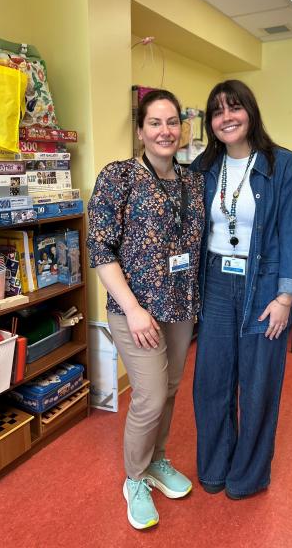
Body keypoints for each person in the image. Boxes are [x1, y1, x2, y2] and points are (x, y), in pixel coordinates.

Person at [190, 80, 292, 500]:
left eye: (235, 107)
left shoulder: (283, 166)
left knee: (259, 383)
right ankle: (213, 469)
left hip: (264, 284)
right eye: (217, 111)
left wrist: (286, 298)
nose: (227, 117)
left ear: (250, 112)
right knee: (211, 381)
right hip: (215, 283)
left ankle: (247, 476)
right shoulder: (204, 168)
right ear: (210, 123)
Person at [87, 89, 204, 529]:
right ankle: (134, 478)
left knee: (170, 389)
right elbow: (99, 246)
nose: (165, 130)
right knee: (150, 396)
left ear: (182, 128)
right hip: (135, 310)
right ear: (140, 131)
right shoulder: (118, 177)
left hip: (181, 306)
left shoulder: (193, 181)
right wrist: (133, 308)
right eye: (154, 122)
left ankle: (158, 460)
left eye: (172, 121)